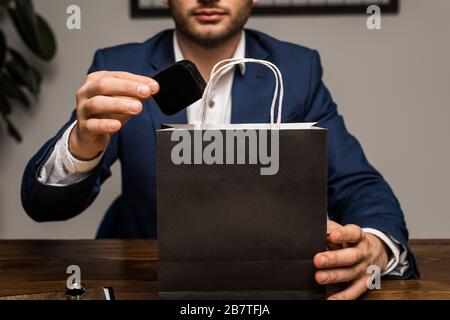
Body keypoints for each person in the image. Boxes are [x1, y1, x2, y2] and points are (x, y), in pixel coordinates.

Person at [21, 0, 419, 299]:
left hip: (271, 286)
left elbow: (356, 181)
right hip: (147, 284)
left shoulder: (297, 70)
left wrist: (377, 247)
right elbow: (43, 205)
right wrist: (82, 142)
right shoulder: (119, 65)